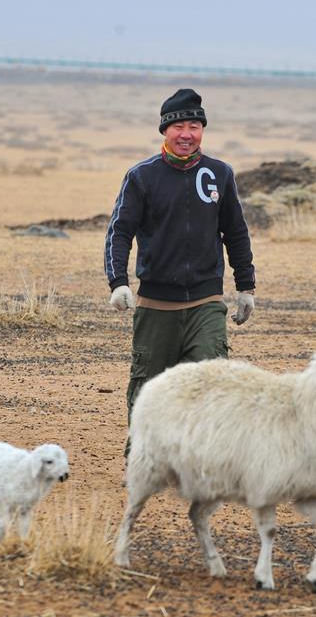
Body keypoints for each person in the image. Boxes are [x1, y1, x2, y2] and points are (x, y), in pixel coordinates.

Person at [104, 88, 256, 455]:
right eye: (179, 127)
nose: (187, 133)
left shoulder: (220, 174)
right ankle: (142, 457)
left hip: (206, 300)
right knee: (149, 387)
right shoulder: (142, 177)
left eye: (194, 125)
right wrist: (118, 283)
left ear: (202, 130)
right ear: (165, 131)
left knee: (213, 382)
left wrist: (245, 286)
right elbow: (119, 231)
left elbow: (235, 232)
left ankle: (203, 461)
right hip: (156, 305)